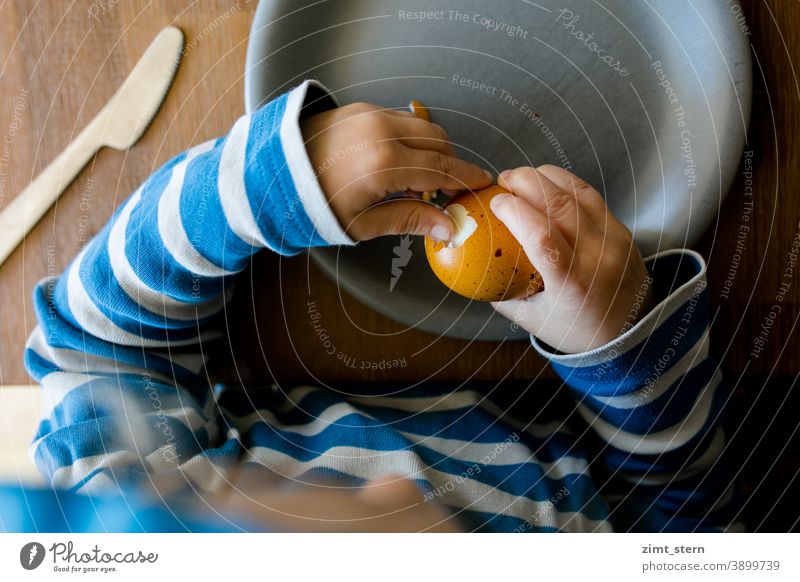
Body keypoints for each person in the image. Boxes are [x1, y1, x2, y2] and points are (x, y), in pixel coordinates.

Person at [18, 81, 740, 532]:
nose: (400, 483)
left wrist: (277, 182)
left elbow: (98, 346)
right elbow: (694, 524)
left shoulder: (140, 510)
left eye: (345, 513)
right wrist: (623, 348)